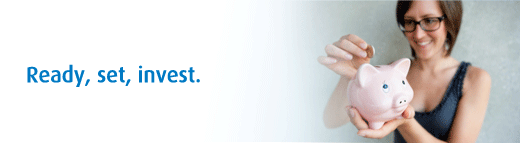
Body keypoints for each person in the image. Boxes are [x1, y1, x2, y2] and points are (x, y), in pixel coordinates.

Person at [319, 0, 491, 142]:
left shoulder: (475, 79)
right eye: (409, 22)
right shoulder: (392, 73)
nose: (418, 34)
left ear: (450, 20)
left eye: (429, 20)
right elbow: (332, 120)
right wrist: (351, 75)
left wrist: (404, 122)